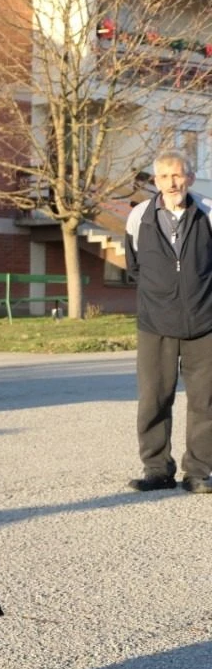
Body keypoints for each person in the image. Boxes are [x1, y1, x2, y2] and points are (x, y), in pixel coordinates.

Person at [125, 148, 212, 493]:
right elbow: (134, 266)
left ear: (189, 177)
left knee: (205, 401)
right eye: (164, 176)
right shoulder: (139, 216)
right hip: (154, 324)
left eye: (177, 175)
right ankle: (157, 469)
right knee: (153, 400)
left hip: (205, 325)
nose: (171, 182)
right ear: (155, 181)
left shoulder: (207, 212)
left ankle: (199, 472)